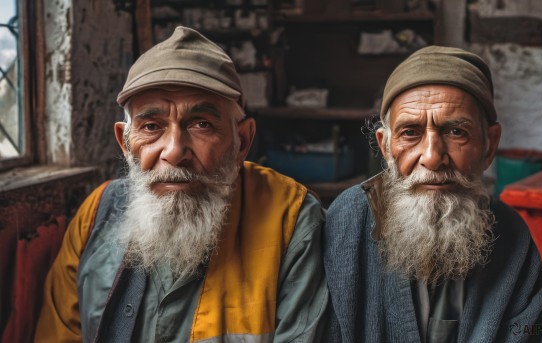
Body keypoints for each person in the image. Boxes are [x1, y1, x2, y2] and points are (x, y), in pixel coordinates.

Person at [35, 27, 328, 343]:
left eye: (202, 125)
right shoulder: (97, 213)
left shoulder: (291, 218)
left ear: (242, 141)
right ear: (125, 142)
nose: (174, 152)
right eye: (151, 126)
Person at [324, 46, 542, 342]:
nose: (432, 158)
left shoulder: (512, 237)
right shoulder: (348, 222)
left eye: (456, 131)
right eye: (410, 132)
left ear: (489, 146)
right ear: (385, 147)